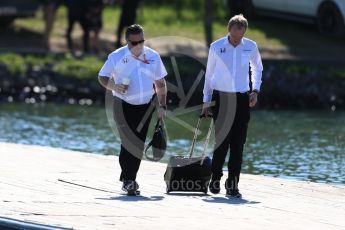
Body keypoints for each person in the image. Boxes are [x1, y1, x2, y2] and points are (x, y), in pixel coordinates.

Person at [98, 24, 168, 195]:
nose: (138, 45)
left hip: (146, 106)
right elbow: (102, 77)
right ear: (127, 41)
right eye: (134, 42)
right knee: (128, 141)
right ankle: (129, 180)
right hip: (121, 104)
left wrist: (162, 106)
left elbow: (160, 84)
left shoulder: (153, 56)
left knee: (138, 144)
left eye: (142, 41)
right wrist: (114, 86)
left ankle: (130, 178)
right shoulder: (116, 56)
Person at [202, 14, 263, 198]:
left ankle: (233, 185)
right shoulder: (216, 46)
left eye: (242, 34)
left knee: (238, 144)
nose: (238, 38)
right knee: (222, 142)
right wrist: (206, 100)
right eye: (236, 34)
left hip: (242, 99)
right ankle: (215, 178)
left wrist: (255, 90)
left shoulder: (250, 46)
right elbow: (209, 74)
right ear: (229, 30)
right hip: (222, 99)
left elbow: (258, 68)